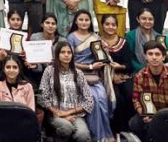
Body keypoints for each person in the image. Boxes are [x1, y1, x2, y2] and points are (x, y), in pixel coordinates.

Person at [66, 10, 113, 141]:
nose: (84, 22)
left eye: (87, 20)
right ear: (76, 21)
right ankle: (95, 136)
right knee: (92, 101)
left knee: (102, 100)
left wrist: (105, 50)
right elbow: (69, 62)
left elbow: (101, 58)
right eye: (81, 20)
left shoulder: (95, 37)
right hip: (77, 75)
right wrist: (89, 66)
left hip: (95, 76)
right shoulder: (70, 38)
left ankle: (106, 135)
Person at [129, 41, 168, 141]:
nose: (154, 57)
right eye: (150, 54)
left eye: (157, 54)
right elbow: (136, 100)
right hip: (150, 114)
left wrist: (167, 114)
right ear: (145, 56)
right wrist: (144, 113)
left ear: (163, 57)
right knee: (134, 123)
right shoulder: (140, 76)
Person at [39, 42, 94, 142]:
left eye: (69, 52)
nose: (66, 55)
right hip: (55, 114)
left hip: (75, 115)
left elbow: (89, 100)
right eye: (63, 52)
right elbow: (42, 97)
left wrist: (68, 113)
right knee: (66, 127)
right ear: (57, 55)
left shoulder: (78, 73)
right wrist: (57, 112)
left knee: (83, 134)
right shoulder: (49, 71)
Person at [98, 14, 133, 132]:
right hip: (105, 78)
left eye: (113, 24)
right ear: (102, 25)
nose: (110, 27)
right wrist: (111, 76)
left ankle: (131, 128)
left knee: (130, 94)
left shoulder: (123, 42)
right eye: (107, 24)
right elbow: (96, 64)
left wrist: (120, 67)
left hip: (123, 76)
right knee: (116, 98)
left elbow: (129, 65)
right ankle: (116, 130)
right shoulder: (97, 43)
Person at [28, 14, 67, 89]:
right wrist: (36, 65)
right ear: (42, 24)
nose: (50, 26)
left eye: (53, 24)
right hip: (38, 71)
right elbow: (33, 58)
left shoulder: (62, 41)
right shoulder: (35, 37)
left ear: (56, 26)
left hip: (57, 72)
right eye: (47, 23)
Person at [126, 8, 165, 73]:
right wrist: (145, 69)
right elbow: (129, 58)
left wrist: (167, 55)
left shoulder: (159, 37)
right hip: (137, 71)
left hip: (157, 71)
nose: (147, 21)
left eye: (150, 19)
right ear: (138, 19)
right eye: (144, 19)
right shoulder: (130, 36)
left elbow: (162, 57)